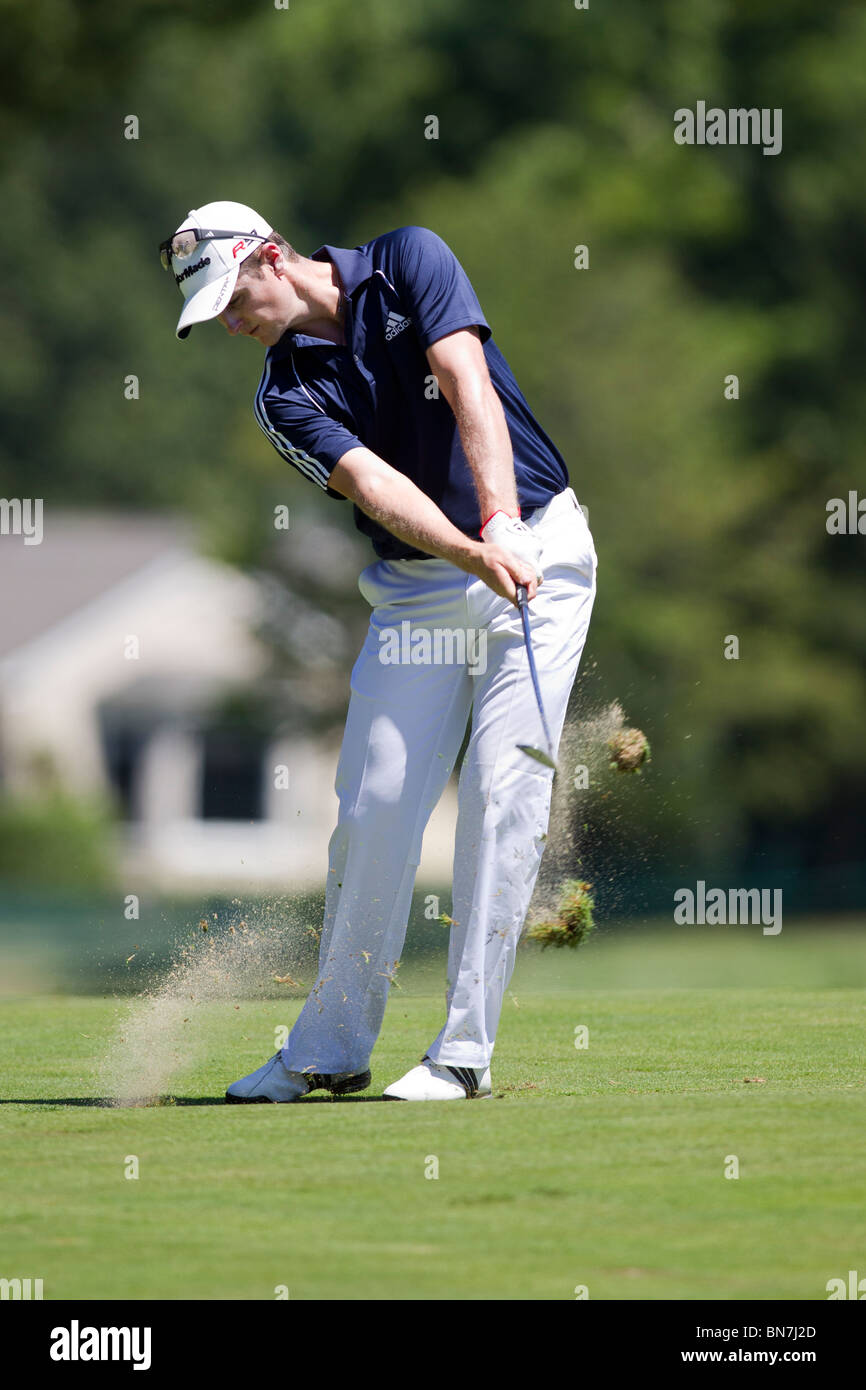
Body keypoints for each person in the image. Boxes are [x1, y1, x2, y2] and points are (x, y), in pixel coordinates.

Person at [161, 200, 598, 1101]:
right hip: (419, 587)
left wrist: (504, 525)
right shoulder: (284, 395)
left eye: (232, 298)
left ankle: (462, 1054)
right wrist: (474, 552)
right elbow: (377, 484)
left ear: (272, 256)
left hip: (539, 548)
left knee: (503, 792)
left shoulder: (410, 260)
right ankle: (329, 1049)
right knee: (376, 805)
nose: (233, 323)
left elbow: (465, 380)